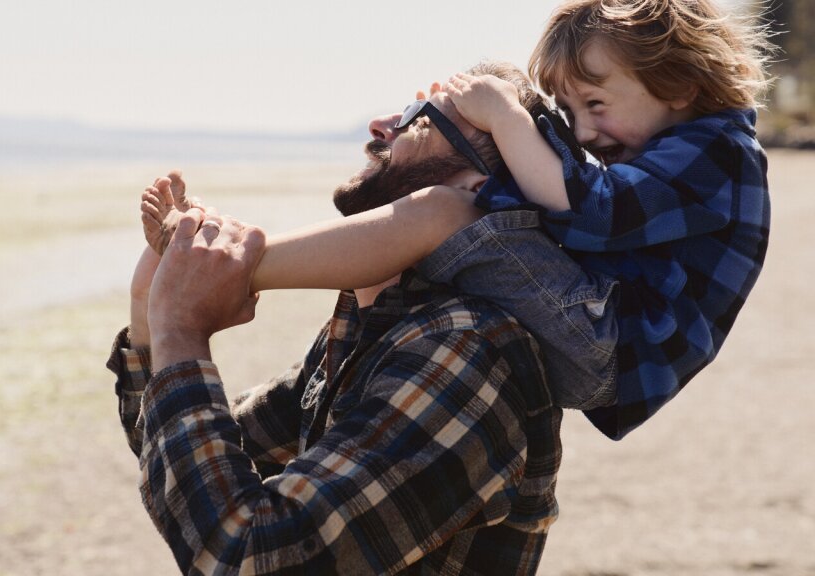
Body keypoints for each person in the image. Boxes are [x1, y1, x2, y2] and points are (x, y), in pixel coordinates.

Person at [143, 0, 774, 440]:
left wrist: (503, 115)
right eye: (573, 111)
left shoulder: (717, 155)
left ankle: (228, 265)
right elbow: (575, 209)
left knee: (441, 213)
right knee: (445, 218)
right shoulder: (683, 150)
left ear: (680, 84)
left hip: (610, 343)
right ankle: (220, 264)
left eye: (597, 104)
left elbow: (592, 209)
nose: (584, 131)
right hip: (602, 333)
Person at [109, 63, 563, 574]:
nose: (379, 124)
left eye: (421, 119)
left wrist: (182, 328)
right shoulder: (373, 329)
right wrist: (152, 306)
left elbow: (246, 555)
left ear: (473, 186)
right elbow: (178, 458)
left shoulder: (465, 348)